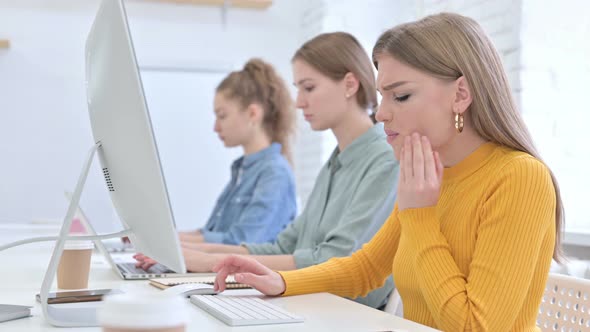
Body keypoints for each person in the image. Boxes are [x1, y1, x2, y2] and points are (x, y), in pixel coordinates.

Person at [211, 13, 564, 331]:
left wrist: (421, 215)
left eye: (401, 96)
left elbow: (475, 327)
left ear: (461, 94)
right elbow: (365, 268)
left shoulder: (519, 177)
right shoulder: (430, 174)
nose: (381, 114)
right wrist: (284, 282)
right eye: (381, 97)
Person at [136, 32, 400, 309]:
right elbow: (284, 245)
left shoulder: (384, 160)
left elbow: (334, 261)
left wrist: (207, 260)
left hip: (345, 311)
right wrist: (192, 253)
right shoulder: (335, 163)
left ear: (349, 84)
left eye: (308, 88)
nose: (299, 102)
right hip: (314, 301)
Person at [179, 58, 297, 245]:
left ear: (253, 114)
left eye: (222, 116)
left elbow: (242, 242)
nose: (216, 127)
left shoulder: (275, 173)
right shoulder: (242, 170)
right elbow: (213, 232)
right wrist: (167, 239)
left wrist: (176, 242)